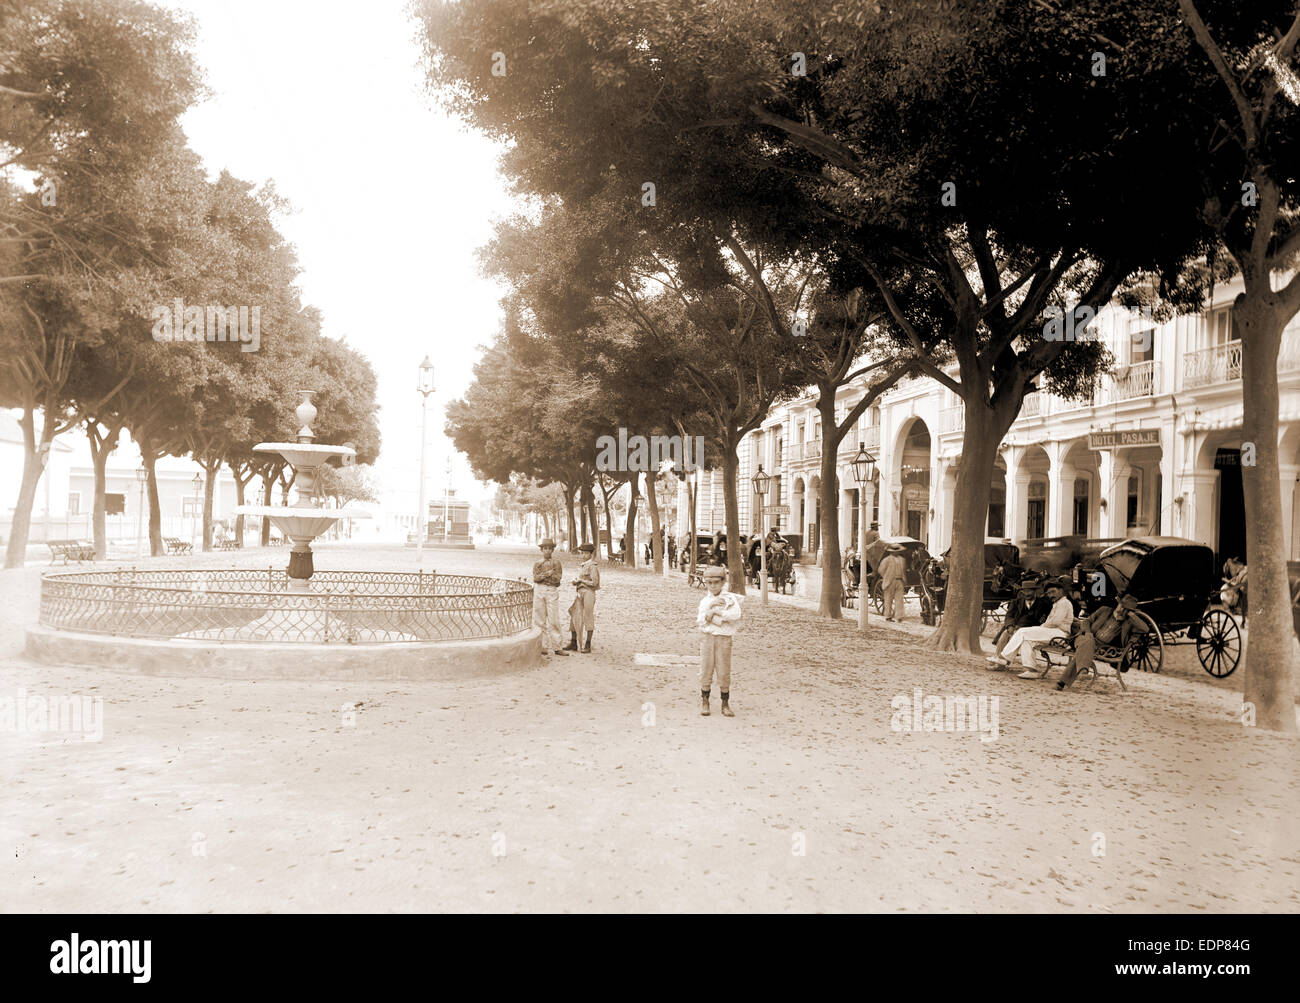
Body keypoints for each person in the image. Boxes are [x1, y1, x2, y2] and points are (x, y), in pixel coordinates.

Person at [1056, 594, 1148, 689]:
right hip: (1084, 637)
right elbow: (1086, 621)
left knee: (1085, 649)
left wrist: (1131, 614)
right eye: (1122, 606)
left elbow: (1145, 629)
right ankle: (1082, 670)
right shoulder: (1104, 610)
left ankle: (1063, 682)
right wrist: (1088, 632)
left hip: (1103, 648)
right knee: (1087, 642)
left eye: (1126, 610)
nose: (1122, 610)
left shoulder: (1129, 622)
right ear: (1118, 603)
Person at [987, 577, 1074, 673]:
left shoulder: (1063, 603)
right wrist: (1011, 626)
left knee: (1022, 632)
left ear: (1061, 591)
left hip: (1059, 633)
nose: (1051, 595)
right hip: (1051, 632)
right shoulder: (1057, 603)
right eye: (1049, 593)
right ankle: (1030, 669)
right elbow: (1009, 616)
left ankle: (1003, 658)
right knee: (1026, 641)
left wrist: (1039, 628)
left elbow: (1055, 622)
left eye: (1053, 592)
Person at [697, 564, 743, 717]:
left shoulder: (729, 599)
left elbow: (735, 615)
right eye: (709, 583)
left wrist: (716, 612)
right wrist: (709, 611)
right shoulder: (705, 601)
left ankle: (725, 703)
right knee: (706, 668)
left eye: (716, 582)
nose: (713, 586)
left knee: (724, 670)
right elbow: (701, 621)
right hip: (708, 638)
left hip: (724, 638)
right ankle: (705, 701)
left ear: (723, 582)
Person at [532, 538, 569, 656]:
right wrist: (547, 574)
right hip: (539, 589)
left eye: (549, 549)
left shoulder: (556, 563)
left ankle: (557, 646)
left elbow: (557, 579)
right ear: (541, 550)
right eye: (545, 549)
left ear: (553, 550)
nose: (547, 551)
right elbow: (536, 578)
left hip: (552, 590)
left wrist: (545, 577)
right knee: (539, 618)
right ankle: (542, 646)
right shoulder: (537, 563)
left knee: (553, 618)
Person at [563, 541, 600, 652]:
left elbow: (595, 582)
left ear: (590, 554)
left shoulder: (592, 566)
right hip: (580, 592)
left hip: (589, 592)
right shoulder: (584, 565)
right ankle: (573, 642)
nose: (583, 555)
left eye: (585, 553)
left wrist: (581, 581)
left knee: (588, 616)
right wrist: (577, 582)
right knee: (574, 614)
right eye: (582, 553)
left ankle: (588, 644)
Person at [879, 542, 907, 622]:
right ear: (891, 551)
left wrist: (903, 579)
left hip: (899, 580)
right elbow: (881, 570)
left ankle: (899, 616)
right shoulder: (887, 560)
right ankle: (888, 616)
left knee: (899, 599)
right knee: (888, 598)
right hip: (890, 581)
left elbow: (903, 570)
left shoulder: (902, 560)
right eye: (895, 551)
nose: (896, 552)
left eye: (897, 550)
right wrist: (886, 576)